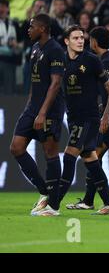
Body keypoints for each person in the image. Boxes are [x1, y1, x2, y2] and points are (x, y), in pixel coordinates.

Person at [64, 26, 109, 210]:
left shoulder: (104, 61)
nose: (87, 43)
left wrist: (105, 114)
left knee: (92, 155)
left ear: (95, 42)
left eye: (89, 40)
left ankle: (90, 201)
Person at [9, 13, 65, 216]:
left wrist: (42, 112)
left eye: (32, 26)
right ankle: (44, 192)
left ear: (42, 29)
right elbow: (35, 82)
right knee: (16, 148)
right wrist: (30, 108)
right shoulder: (34, 49)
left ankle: (53, 205)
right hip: (32, 108)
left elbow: (56, 83)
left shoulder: (55, 50)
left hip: (49, 110)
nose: (28, 29)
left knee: (50, 153)